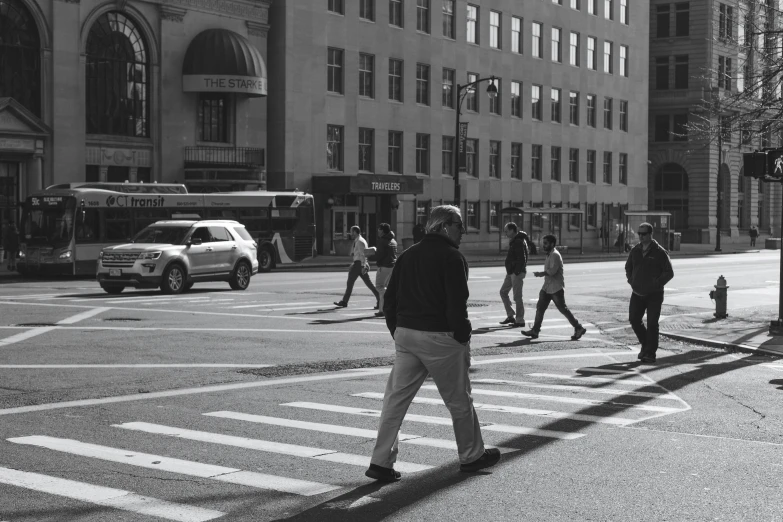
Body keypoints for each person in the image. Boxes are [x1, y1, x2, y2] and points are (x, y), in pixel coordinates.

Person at [365, 205, 500, 482]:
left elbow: (390, 300)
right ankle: (472, 456)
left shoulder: (408, 255)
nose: (462, 232)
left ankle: (380, 462)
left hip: (406, 335)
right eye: (459, 226)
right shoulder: (453, 257)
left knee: (395, 401)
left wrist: (397, 330)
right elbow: (456, 305)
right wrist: (462, 336)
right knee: (459, 400)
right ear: (444, 226)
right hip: (440, 337)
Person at [521, 234, 587, 341]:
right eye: (543, 243)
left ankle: (578, 327)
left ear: (552, 244)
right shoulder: (549, 254)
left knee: (563, 310)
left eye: (546, 243)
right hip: (547, 288)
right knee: (540, 309)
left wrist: (541, 274)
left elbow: (552, 271)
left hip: (556, 288)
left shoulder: (555, 255)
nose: (544, 245)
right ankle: (535, 330)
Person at [625, 222, 674, 364]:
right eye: (639, 234)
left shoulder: (659, 252)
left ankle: (650, 353)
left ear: (650, 234)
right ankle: (646, 345)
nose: (640, 236)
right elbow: (628, 267)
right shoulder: (635, 250)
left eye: (643, 234)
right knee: (634, 320)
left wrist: (656, 284)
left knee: (652, 324)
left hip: (654, 294)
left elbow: (669, 273)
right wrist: (631, 280)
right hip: (637, 293)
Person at [334, 226, 380, 308]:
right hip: (359, 264)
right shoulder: (361, 240)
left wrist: (362, 265)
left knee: (350, 283)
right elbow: (362, 255)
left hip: (359, 265)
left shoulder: (359, 242)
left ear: (355, 232)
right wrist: (364, 264)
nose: (350, 233)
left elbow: (362, 255)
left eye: (351, 232)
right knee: (369, 284)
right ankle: (380, 300)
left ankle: (344, 301)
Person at [499, 222, 528, 327]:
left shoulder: (518, 241)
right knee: (503, 292)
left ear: (512, 230)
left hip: (516, 273)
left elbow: (522, 259)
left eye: (506, 231)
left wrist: (516, 272)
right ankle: (511, 315)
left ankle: (520, 320)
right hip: (511, 272)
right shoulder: (515, 240)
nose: (505, 233)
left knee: (517, 297)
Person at [368, 223, 397, 318]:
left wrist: (369, 256)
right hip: (392, 266)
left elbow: (379, 255)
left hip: (384, 266)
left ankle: (386, 305)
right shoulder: (393, 240)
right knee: (384, 287)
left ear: (383, 231)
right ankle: (382, 310)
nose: (378, 231)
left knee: (380, 287)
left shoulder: (382, 241)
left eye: (379, 229)